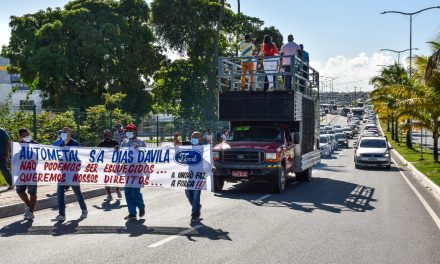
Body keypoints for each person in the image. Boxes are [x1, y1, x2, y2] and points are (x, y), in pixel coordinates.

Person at [54, 127, 88, 221]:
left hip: (73, 172)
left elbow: (79, 156)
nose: (63, 133)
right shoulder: (59, 144)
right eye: (62, 132)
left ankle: (84, 210)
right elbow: (54, 153)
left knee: (77, 193)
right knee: (60, 193)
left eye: (65, 132)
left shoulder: (75, 143)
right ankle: (62, 214)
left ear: (70, 133)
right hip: (62, 172)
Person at [173, 131, 203, 223]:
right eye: (192, 137)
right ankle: (197, 206)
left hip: (198, 175)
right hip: (188, 174)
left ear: (200, 139)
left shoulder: (204, 147)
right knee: (188, 193)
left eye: (196, 137)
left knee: (196, 194)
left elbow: (208, 160)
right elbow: (176, 144)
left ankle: (194, 215)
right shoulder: (188, 144)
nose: (193, 139)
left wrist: (212, 167)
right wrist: (175, 136)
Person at [120, 123, 146, 220]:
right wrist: (117, 149)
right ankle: (132, 213)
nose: (129, 132)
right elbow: (121, 154)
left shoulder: (141, 142)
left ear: (135, 132)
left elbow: (147, 155)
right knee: (127, 192)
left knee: (135, 192)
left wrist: (139, 150)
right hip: (128, 171)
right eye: (127, 131)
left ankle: (141, 206)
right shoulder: (124, 142)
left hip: (138, 171)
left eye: (131, 131)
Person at [16, 128, 38, 220]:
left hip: (32, 172)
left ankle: (31, 212)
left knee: (32, 192)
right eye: (24, 135)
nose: (27, 136)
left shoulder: (35, 144)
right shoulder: (17, 146)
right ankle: (29, 207)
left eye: (28, 134)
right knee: (19, 191)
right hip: (21, 172)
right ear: (21, 136)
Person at [98, 129, 122, 201]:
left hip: (115, 163)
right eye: (105, 134)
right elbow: (98, 153)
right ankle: (109, 194)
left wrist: (118, 148)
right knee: (106, 179)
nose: (107, 136)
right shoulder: (101, 144)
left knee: (117, 178)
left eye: (108, 134)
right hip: (105, 164)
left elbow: (121, 151)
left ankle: (117, 189)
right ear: (103, 135)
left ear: (110, 135)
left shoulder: (115, 142)